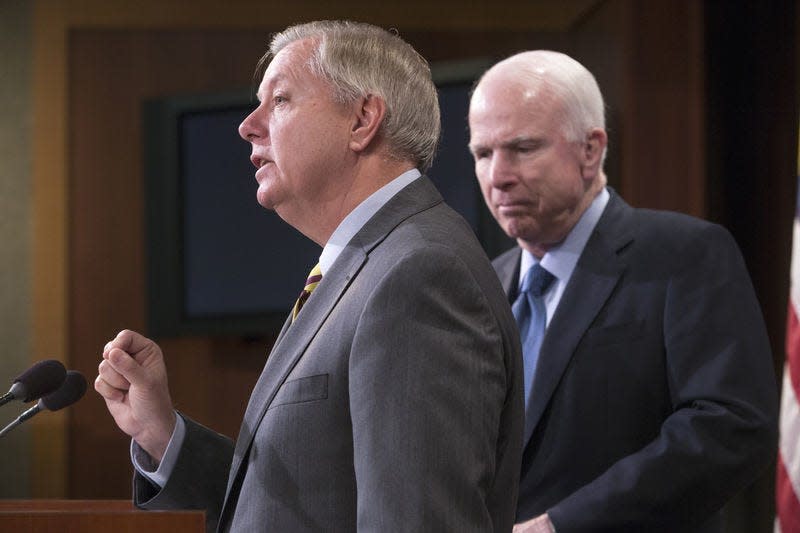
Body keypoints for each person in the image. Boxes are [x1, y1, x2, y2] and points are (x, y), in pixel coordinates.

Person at [95, 21, 524, 533]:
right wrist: (162, 434)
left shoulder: (419, 273)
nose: (247, 125)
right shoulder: (367, 265)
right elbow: (301, 505)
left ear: (362, 120)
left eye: (279, 100)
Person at [468, 50, 778, 533]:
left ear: (591, 150)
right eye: (483, 154)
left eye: (523, 148)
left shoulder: (684, 254)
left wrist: (563, 525)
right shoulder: (486, 283)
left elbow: (730, 425)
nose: (498, 175)